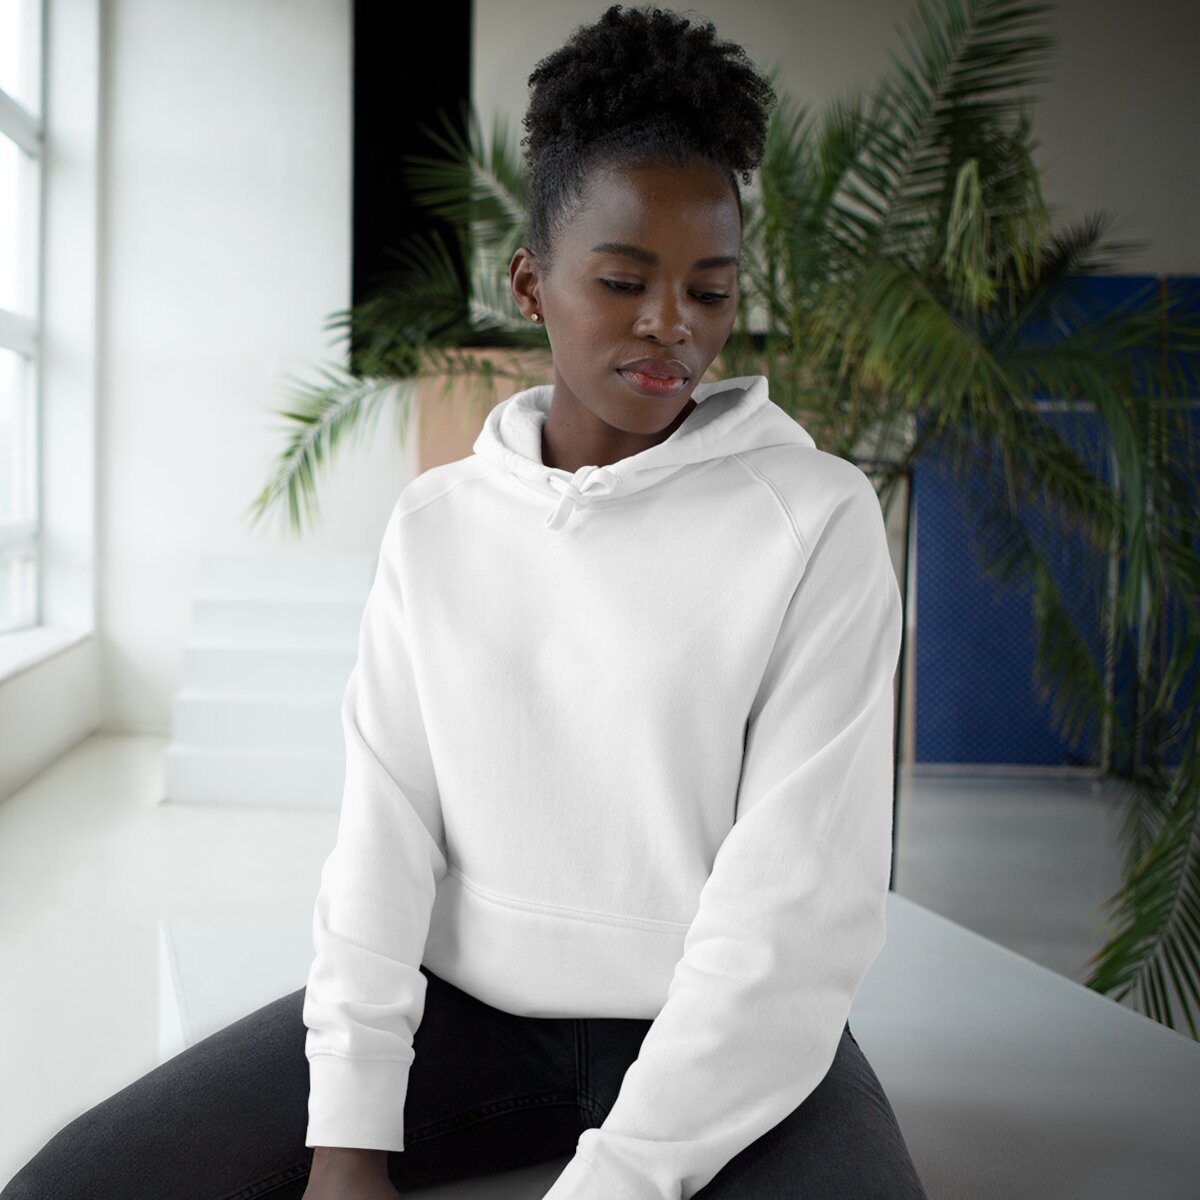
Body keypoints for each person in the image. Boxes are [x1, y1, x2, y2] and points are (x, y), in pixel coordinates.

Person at [1, 6, 928, 1199]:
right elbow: (384, 835)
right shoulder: (437, 525)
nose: (673, 325)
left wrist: (620, 1179)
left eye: (711, 289)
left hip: (728, 1027)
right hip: (469, 1019)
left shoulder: (815, 519)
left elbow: (792, 908)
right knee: (70, 1187)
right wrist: (348, 1140)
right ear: (530, 283)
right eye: (624, 280)